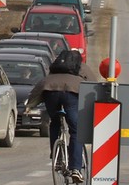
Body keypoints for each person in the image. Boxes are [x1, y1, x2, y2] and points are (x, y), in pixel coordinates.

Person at [25, 51, 88, 183]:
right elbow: (93, 87)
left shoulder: (53, 71)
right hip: (71, 95)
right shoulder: (83, 68)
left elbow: (39, 87)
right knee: (75, 130)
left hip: (51, 94)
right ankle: (75, 168)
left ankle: (57, 158)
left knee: (55, 122)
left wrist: (30, 105)